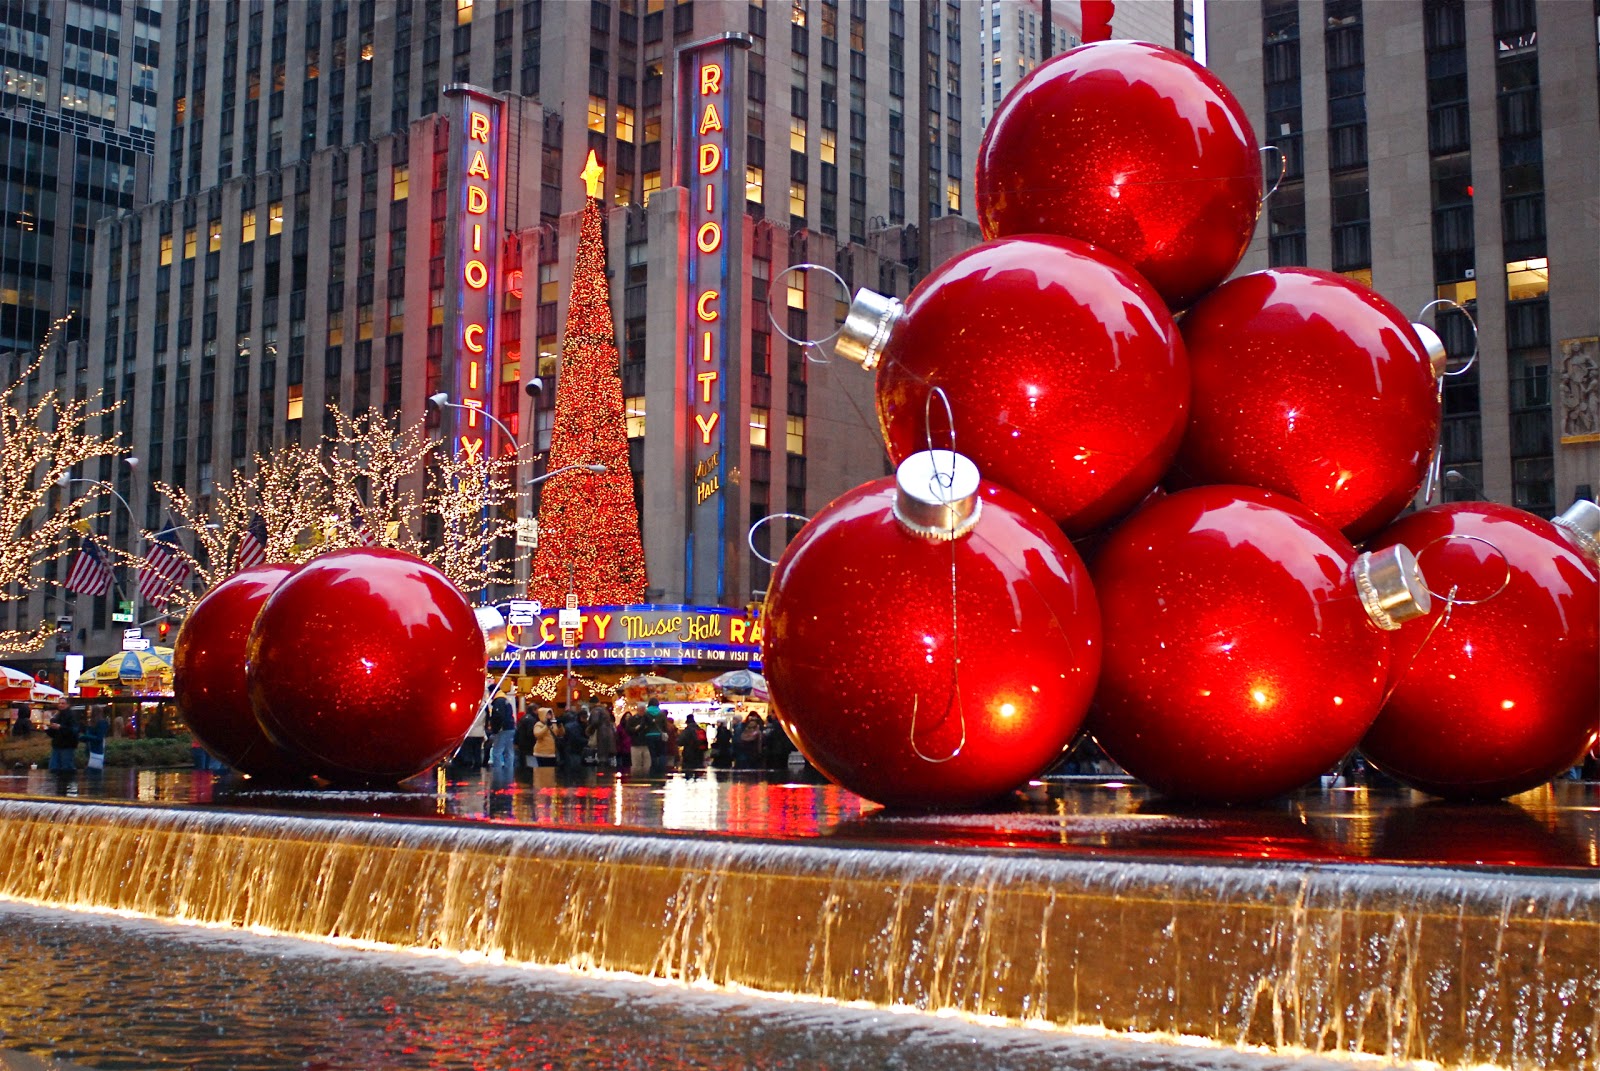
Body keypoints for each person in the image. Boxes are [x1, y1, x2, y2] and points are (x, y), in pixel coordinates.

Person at [487, 691, 516, 777]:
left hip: (502, 729)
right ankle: (509, 772)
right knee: (509, 751)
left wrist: (495, 729)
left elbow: (498, 716)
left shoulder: (498, 701)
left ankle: (497, 773)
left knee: (497, 752)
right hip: (510, 728)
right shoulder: (506, 701)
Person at [45, 708, 79, 773]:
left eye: (63, 703)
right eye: (60, 703)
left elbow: (72, 731)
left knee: (66, 768)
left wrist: (60, 727)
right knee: (54, 767)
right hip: (57, 745)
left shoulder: (72, 716)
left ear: (68, 705)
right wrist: (48, 730)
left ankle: (67, 780)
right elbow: (54, 734)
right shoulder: (57, 717)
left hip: (67, 745)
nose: (61, 705)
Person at [643, 700, 668, 775]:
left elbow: (643, 725)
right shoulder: (661, 713)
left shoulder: (646, 713)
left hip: (649, 735)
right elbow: (664, 726)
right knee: (661, 753)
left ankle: (654, 768)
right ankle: (661, 768)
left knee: (653, 753)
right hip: (659, 735)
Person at [514, 705, 538, 780]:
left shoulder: (523, 718)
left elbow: (518, 731)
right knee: (529, 762)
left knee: (522, 760)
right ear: (534, 710)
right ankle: (528, 777)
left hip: (521, 743)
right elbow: (530, 733)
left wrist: (516, 742)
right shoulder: (532, 720)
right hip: (528, 744)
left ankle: (522, 776)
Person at [82, 705, 109, 772]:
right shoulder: (91, 723)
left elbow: (99, 738)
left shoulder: (101, 723)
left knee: (94, 773)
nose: (89, 712)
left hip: (97, 751)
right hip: (90, 750)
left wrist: (87, 737)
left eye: (90, 711)